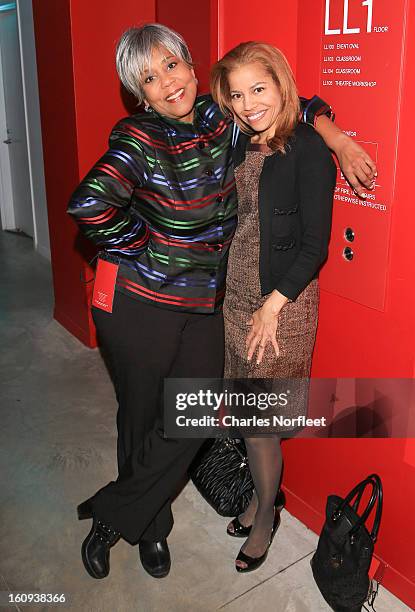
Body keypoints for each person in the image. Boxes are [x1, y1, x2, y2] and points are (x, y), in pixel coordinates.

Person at [67, 23, 376, 580]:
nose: (166, 82)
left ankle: (113, 512)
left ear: (190, 65)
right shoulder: (139, 136)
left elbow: (286, 101)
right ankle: (152, 530)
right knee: (143, 417)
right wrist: (148, 248)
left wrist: (336, 134)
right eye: (149, 78)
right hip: (143, 304)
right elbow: (89, 205)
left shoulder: (218, 120)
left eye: (172, 66)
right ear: (139, 94)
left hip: (211, 305)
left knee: (191, 416)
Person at [210, 41, 336, 572]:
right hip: (237, 294)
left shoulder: (306, 147)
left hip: (281, 300)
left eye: (258, 89)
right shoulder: (239, 142)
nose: (247, 104)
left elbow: (315, 244)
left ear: (282, 86)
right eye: (236, 94)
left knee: (259, 422)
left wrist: (271, 306)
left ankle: (265, 515)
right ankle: (258, 497)